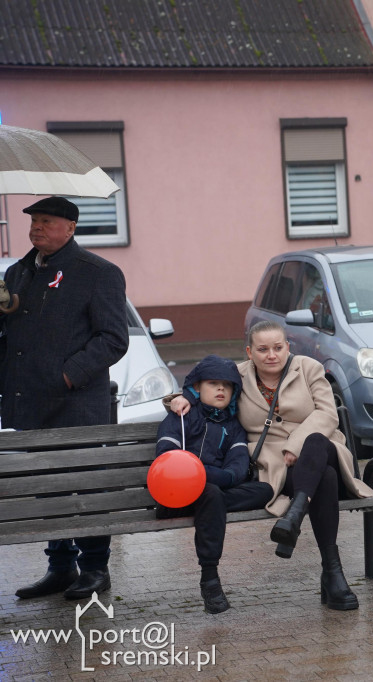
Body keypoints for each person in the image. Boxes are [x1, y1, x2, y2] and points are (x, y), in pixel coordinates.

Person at [170, 321, 373, 610]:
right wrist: (181, 398)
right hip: (277, 467)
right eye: (263, 349)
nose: (271, 355)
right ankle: (332, 572)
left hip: (320, 449)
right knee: (324, 479)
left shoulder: (309, 368)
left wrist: (296, 443)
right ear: (249, 351)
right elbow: (202, 386)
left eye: (278, 348)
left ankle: (294, 516)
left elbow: (329, 416)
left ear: (287, 347)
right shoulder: (237, 375)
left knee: (317, 443)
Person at [5, 196, 129, 601]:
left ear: (70, 228)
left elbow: (113, 338)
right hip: (32, 400)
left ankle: (95, 567)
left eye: (46, 221)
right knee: (48, 487)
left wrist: (67, 374)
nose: (36, 228)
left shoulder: (98, 273)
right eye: (33, 221)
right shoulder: (18, 272)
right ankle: (60, 567)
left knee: (86, 485)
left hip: (77, 402)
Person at [155, 356, 273, 613]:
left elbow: (237, 471)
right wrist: (204, 476)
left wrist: (198, 474)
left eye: (227, 385)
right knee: (211, 491)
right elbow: (166, 459)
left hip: (211, 493)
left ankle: (213, 504)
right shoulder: (181, 417)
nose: (221, 389)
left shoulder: (233, 427)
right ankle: (210, 579)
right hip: (174, 496)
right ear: (197, 388)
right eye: (213, 383)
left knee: (265, 490)